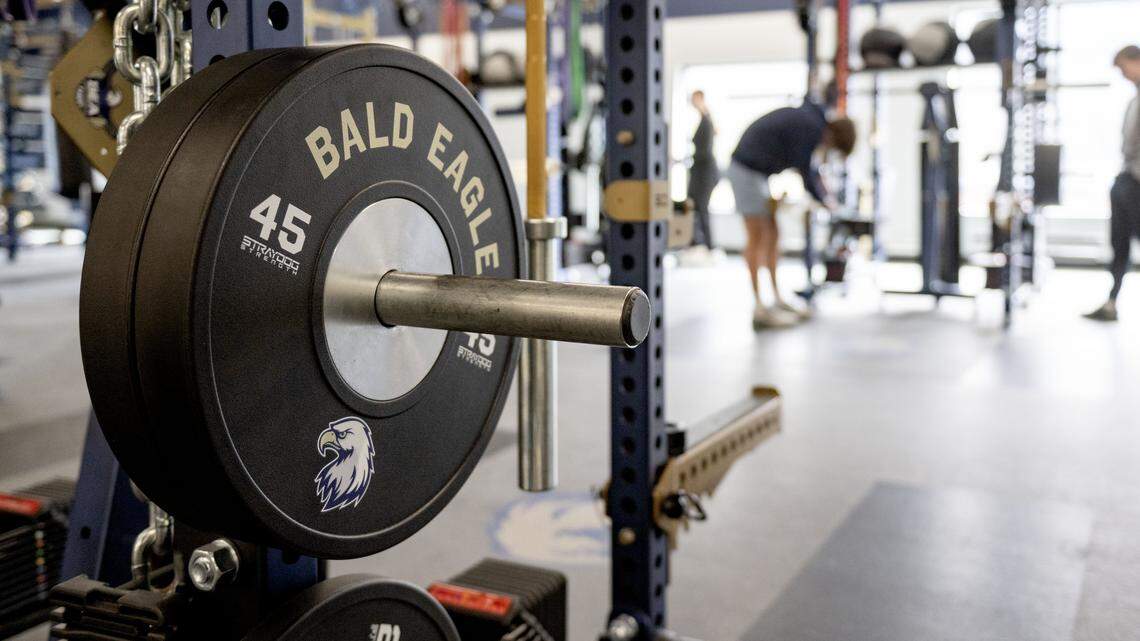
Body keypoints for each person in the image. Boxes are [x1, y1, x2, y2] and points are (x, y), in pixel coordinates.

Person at [727, 100, 856, 328]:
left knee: (774, 234)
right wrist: (825, 201)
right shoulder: (812, 129)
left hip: (760, 175)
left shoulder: (813, 122)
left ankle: (776, 298)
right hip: (746, 170)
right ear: (834, 138)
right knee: (757, 237)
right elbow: (806, 173)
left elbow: (809, 171)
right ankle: (758, 306)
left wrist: (824, 197)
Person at [1086, 45, 1140, 322]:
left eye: (1123, 67)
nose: (1122, 74)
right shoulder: (1134, 100)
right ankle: (1111, 302)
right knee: (1119, 245)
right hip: (1127, 180)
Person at [687, 90, 719, 249]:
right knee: (696, 208)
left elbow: (704, 151)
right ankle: (699, 244)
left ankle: (709, 246)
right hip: (700, 170)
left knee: (702, 208)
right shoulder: (704, 120)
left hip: (705, 172)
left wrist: (687, 159)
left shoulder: (707, 121)